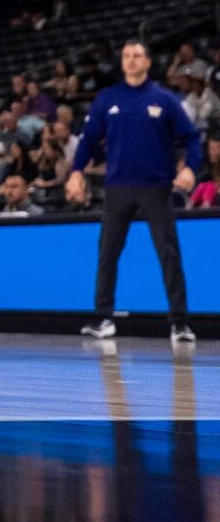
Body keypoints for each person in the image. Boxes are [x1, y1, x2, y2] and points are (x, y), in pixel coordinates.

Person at [69, 40, 200, 347]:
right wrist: (76, 171)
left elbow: (192, 138)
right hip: (117, 189)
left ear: (148, 62)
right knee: (107, 253)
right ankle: (103, 318)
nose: (131, 60)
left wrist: (191, 168)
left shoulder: (165, 99)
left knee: (168, 254)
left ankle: (179, 323)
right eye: (127, 56)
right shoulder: (107, 99)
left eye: (137, 56)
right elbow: (88, 140)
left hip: (156, 188)